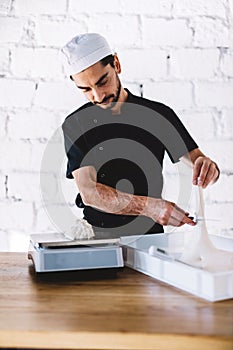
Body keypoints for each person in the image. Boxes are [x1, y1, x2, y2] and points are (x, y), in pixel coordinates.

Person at [61, 33, 220, 236]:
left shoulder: (158, 115)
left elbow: (200, 162)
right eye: (86, 89)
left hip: (150, 239)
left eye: (102, 82)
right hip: (97, 239)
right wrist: (152, 207)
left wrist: (210, 169)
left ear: (116, 64)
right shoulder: (75, 124)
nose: (98, 96)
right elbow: (90, 193)